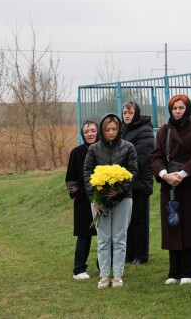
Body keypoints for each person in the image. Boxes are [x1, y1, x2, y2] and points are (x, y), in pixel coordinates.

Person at [149, 94, 191, 285]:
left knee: (190, 226)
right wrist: (165, 175)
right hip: (169, 185)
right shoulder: (164, 130)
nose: (178, 111)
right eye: (175, 108)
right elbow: (156, 155)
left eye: (181, 108)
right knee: (172, 225)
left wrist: (181, 175)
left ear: (187, 109)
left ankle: (189, 271)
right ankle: (174, 271)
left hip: (190, 184)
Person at [83, 114, 138, 289]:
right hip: (100, 200)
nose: (111, 132)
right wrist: (95, 198)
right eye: (107, 130)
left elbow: (133, 171)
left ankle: (118, 276)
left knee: (120, 238)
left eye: (114, 129)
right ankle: (104, 275)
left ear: (119, 129)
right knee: (103, 239)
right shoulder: (93, 149)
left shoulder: (128, 147)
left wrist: (120, 190)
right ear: (102, 130)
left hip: (124, 199)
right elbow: (87, 173)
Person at [121, 101, 154, 265]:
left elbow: (141, 156)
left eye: (130, 112)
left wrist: (120, 166)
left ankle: (141, 255)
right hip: (124, 181)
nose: (126, 115)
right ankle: (129, 253)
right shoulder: (123, 129)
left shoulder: (145, 130)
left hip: (140, 181)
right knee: (127, 219)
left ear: (136, 113)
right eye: (124, 112)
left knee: (139, 219)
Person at [65, 120, 99, 280]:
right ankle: (79, 269)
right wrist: (77, 195)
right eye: (86, 132)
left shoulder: (105, 149)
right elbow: (70, 179)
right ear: (83, 134)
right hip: (83, 201)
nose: (90, 134)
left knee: (105, 235)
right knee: (84, 235)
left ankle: (104, 266)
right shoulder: (76, 153)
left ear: (98, 132)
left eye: (93, 130)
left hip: (104, 199)